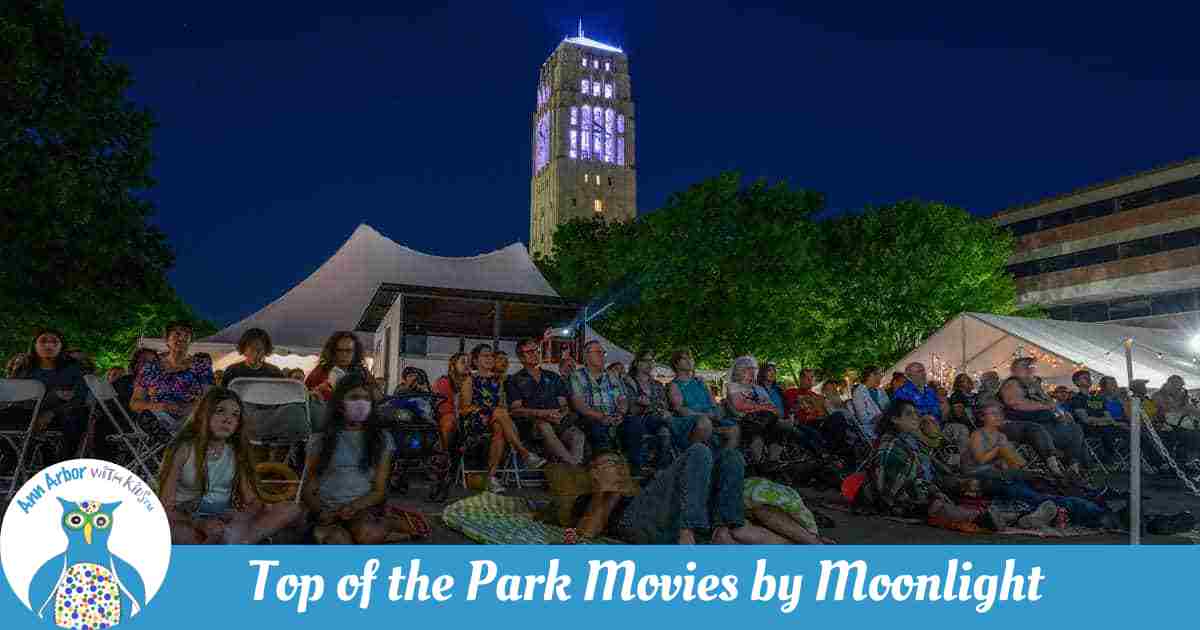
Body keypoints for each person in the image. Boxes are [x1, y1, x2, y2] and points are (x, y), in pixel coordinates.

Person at [157, 387, 302, 544]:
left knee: (290, 508)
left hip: (222, 516)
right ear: (203, 414)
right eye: (220, 411)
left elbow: (251, 500)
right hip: (185, 518)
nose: (228, 419)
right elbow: (165, 507)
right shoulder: (183, 449)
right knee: (186, 534)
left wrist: (241, 517)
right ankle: (236, 543)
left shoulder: (236, 451)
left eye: (235, 415)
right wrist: (199, 523)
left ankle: (237, 541)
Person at [302, 373, 417, 544]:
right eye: (354, 397)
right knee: (338, 542)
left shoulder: (382, 440)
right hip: (326, 510)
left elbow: (379, 490)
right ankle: (385, 534)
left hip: (362, 509)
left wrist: (354, 507)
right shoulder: (320, 440)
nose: (361, 403)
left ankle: (385, 525)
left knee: (366, 535)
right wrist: (320, 511)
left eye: (366, 398)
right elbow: (308, 487)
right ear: (340, 404)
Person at [574, 446, 771, 544]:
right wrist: (606, 493)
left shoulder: (639, 488)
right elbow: (587, 534)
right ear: (594, 472)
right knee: (699, 450)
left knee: (731, 455)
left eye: (619, 462)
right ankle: (687, 533)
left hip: (667, 520)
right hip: (634, 525)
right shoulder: (586, 500)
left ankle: (726, 527)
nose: (617, 466)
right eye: (610, 463)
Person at [964, 401, 1115, 529]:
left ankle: (1090, 498)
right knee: (1038, 495)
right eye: (993, 413)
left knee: (1046, 483)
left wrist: (1023, 469)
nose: (998, 416)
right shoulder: (978, 434)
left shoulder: (1001, 436)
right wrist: (1000, 449)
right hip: (984, 477)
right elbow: (981, 460)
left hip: (1006, 476)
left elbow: (1015, 464)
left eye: (999, 413)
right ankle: (1095, 512)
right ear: (982, 417)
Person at [857, 400, 1000, 529]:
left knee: (977, 484)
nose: (915, 418)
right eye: (909, 414)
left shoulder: (912, 441)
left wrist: (953, 484)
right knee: (939, 505)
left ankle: (984, 513)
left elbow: (932, 472)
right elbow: (891, 492)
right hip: (903, 500)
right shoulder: (891, 446)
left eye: (916, 414)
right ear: (895, 419)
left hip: (928, 486)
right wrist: (936, 493)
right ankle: (977, 517)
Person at [463, 344, 545, 492]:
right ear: (475, 360)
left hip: (496, 420)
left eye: (491, 356)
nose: (489, 358)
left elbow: (502, 405)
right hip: (475, 421)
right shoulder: (470, 380)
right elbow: (464, 409)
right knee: (499, 413)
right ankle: (524, 453)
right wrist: (488, 410)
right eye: (485, 356)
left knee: (500, 427)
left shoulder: (497, 380)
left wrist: (496, 412)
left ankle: (491, 477)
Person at [2, 328, 90, 462]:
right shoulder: (25, 368)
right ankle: (11, 459)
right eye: (43, 341)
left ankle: (59, 463)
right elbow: (15, 397)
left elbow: (79, 397)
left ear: (62, 346)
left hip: (60, 417)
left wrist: (52, 412)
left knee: (76, 414)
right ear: (34, 345)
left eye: (54, 342)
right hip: (27, 415)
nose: (49, 345)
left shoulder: (73, 369)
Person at [727, 356, 825, 465]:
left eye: (774, 371)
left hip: (772, 418)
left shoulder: (774, 390)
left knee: (804, 431)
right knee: (795, 431)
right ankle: (761, 463)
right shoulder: (738, 387)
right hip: (755, 419)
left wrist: (785, 412)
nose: (773, 373)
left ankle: (773, 462)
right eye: (769, 371)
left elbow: (772, 406)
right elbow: (740, 407)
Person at [999, 358, 1085, 477]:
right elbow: (1016, 403)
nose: (1030, 369)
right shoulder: (1012, 383)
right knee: (1037, 428)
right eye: (1025, 366)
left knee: (1076, 429)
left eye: (1031, 366)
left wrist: (1062, 413)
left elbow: (1051, 403)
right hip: (1018, 424)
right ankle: (1055, 470)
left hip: (1046, 424)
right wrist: (1045, 407)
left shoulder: (1034, 386)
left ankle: (1073, 467)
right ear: (1014, 369)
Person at [507, 337, 585, 466]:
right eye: (529, 352)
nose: (534, 354)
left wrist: (561, 414)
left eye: (536, 350)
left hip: (558, 421)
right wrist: (542, 413)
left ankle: (570, 467)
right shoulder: (514, 380)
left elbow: (563, 404)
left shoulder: (553, 377)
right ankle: (574, 467)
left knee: (577, 435)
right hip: (531, 425)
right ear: (521, 358)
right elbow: (515, 410)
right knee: (544, 426)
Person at [130, 321, 215, 431]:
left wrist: (191, 408)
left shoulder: (200, 365)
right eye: (177, 334)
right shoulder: (150, 368)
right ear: (167, 340)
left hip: (192, 417)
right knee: (157, 421)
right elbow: (135, 403)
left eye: (187, 336)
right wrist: (159, 406)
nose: (182, 338)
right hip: (161, 418)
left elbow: (210, 396)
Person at [572, 340, 644, 467]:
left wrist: (621, 413)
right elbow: (579, 405)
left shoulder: (613, 376)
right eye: (598, 352)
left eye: (603, 352)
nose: (602, 355)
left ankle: (634, 468)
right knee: (595, 427)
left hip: (614, 416)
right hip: (591, 417)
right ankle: (606, 467)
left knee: (634, 424)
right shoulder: (577, 376)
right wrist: (601, 417)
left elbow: (622, 399)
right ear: (586, 356)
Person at [622, 350, 676, 469]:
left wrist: (650, 406)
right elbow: (629, 408)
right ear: (636, 363)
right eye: (646, 360)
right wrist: (648, 406)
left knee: (665, 433)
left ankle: (661, 470)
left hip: (657, 420)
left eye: (652, 361)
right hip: (637, 421)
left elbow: (664, 406)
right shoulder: (627, 382)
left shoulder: (657, 385)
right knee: (666, 422)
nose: (650, 363)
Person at [666, 350, 725, 450]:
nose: (689, 360)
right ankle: (691, 454)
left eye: (691, 358)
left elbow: (714, 403)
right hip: (692, 422)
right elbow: (680, 410)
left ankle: (721, 460)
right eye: (685, 358)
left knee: (734, 430)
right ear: (676, 364)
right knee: (704, 423)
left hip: (711, 418)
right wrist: (705, 415)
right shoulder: (674, 385)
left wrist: (718, 412)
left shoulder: (700, 382)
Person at [306, 332, 368, 402]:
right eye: (339, 350)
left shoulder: (362, 373)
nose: (344, 354)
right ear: (332, 351)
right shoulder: (318, 373)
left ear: (355, 352)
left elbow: (374, 399)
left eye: (348, 351)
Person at [850, 366, 890, 441]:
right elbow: (863, 418)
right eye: (879, 374)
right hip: (873, 431)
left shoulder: (880, 390)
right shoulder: (858, 393)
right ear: (871, 375)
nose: (881, 377)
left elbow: (888, 406)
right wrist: (878, 417)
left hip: (886, 424)